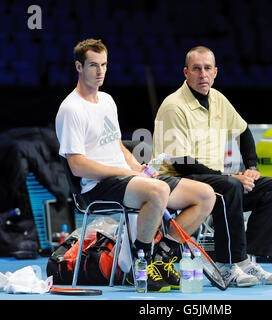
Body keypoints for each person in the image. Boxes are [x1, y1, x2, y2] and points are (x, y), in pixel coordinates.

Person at [55, 39, 216, 292]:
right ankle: (140, 266)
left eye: (104, 65)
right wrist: (126, 172)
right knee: (158, 191)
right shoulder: (71, 109)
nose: (100, 72)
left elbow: (117, 145)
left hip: (129, 179)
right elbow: (78, 166)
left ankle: (163, 258)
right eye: (93, 65)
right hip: (97, 187)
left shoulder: (107, 100)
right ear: (78, 66)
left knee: (205, 195)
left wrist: (137, 168)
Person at [153, 46, 272, 287]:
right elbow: (180, 162)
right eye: (196, 68)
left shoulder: (218, 100)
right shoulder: (174, 106)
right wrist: (230, 177)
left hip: (213, 180)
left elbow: (244, 130)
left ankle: (246, 260)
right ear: (186, 72)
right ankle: (227, 266)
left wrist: (251, 166)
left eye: (207, 68)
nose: (202, 74)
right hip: (178, 182)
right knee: (228, 187)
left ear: (215, 72)